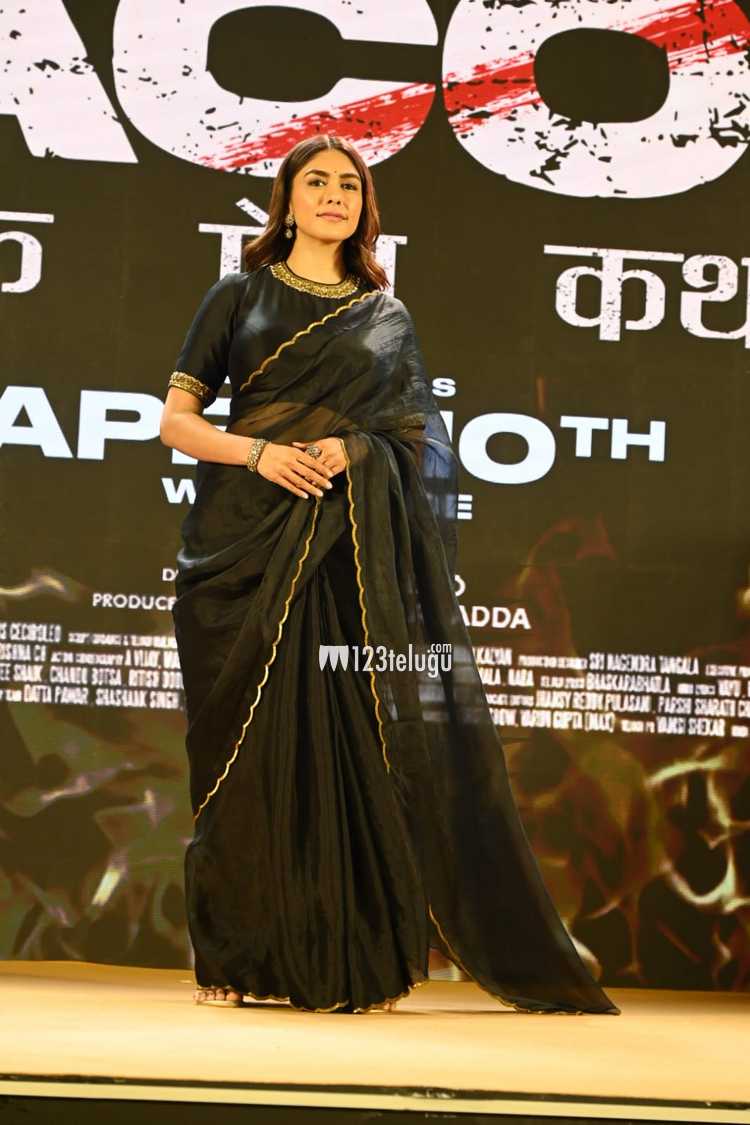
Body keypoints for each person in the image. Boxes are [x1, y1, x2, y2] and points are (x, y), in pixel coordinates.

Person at [159, 134, 621, 1017]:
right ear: (288, 200)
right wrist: (259, 453)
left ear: (364, 208)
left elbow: (413, 440)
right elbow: (176, 421)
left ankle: (344, 954)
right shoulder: (237, 295)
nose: (333, 194)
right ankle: (243, 952)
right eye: (316, 181)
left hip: (343, 549)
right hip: (238, 546)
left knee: (346, 741)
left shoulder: (385, 315)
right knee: (242, 757)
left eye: (349, 184)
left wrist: (355, 450)